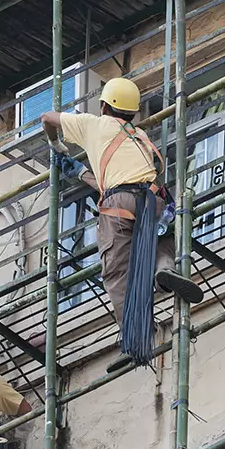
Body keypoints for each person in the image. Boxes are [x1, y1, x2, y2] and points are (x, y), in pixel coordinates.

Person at [40, 77, 204, 333]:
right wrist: (82, 173)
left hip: (118, 205)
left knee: (117, 270)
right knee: (161, 240)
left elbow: (47, 119)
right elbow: (123, 181)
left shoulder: (93, 124)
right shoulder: (139, 136)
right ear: (133, 112)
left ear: (104, 106)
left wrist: (56, 144)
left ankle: (133, 331)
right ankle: (165, 270)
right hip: (154, 199)